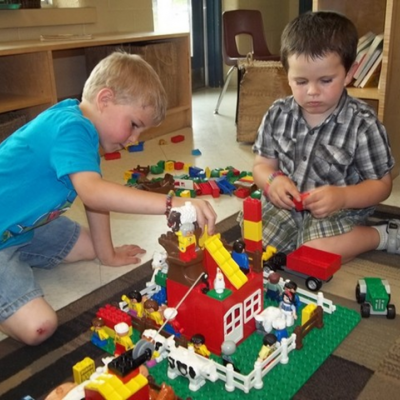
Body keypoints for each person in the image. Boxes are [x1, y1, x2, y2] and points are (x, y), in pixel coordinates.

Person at [0, 51, 217, 345]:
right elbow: (94, 192)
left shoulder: (83, 130)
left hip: (21, 228)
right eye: (134, 125)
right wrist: (171, 203)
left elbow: (94, 200)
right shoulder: (71, 128)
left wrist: (108, 254)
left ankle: (19, 258)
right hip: (13, 231)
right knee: (39, 327)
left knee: (93, 246)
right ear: (105, 99)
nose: (134, 140)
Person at [251, 11, 395, 263]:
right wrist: (272, 181)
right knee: (252, 243)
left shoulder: (362, 123)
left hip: (341, 210)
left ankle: (379, 235)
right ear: (286, 76)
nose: (313, 92)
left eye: (326, 80)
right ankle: (299, 236)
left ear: (350, 73)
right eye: (301, 81)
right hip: (287, 206)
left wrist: (343, 197)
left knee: (312, 256)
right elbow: (262, 166)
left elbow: (382, 185)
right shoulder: (277, 114)